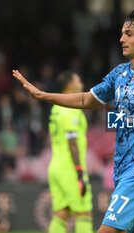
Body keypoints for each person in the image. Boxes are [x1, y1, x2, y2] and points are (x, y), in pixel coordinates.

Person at [13, 7, 134, 233]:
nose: (121, 39)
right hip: (122, 169)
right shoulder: (119, 74)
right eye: (122, 33)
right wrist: (42, 95)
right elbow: (88, 99)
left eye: (129, 34)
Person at [47, 71, 93, 233]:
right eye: (78, 81)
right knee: (83, 211)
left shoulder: (56, 109)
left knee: (63, 212)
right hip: (70, 168)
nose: (81, 84)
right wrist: (80, 171)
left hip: (55, 167)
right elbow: (72, 142)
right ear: (70, 86)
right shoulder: (69, 108)